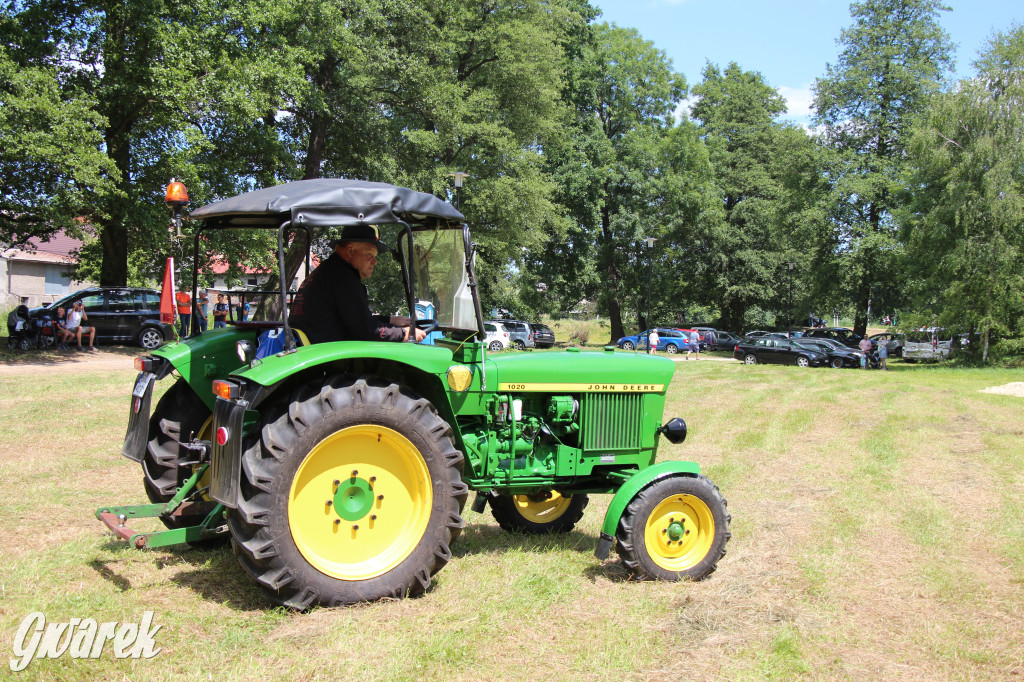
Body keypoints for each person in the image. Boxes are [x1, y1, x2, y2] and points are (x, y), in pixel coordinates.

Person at [288, 225, 427, 344]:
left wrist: (392, 320)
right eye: (369, 254)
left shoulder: (329, 271)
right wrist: (404, 334)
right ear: (350, 250)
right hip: (329, 357)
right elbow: (366, 330)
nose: (375, 261)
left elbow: (356, 320)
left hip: (318, 348)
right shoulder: (343, 278)